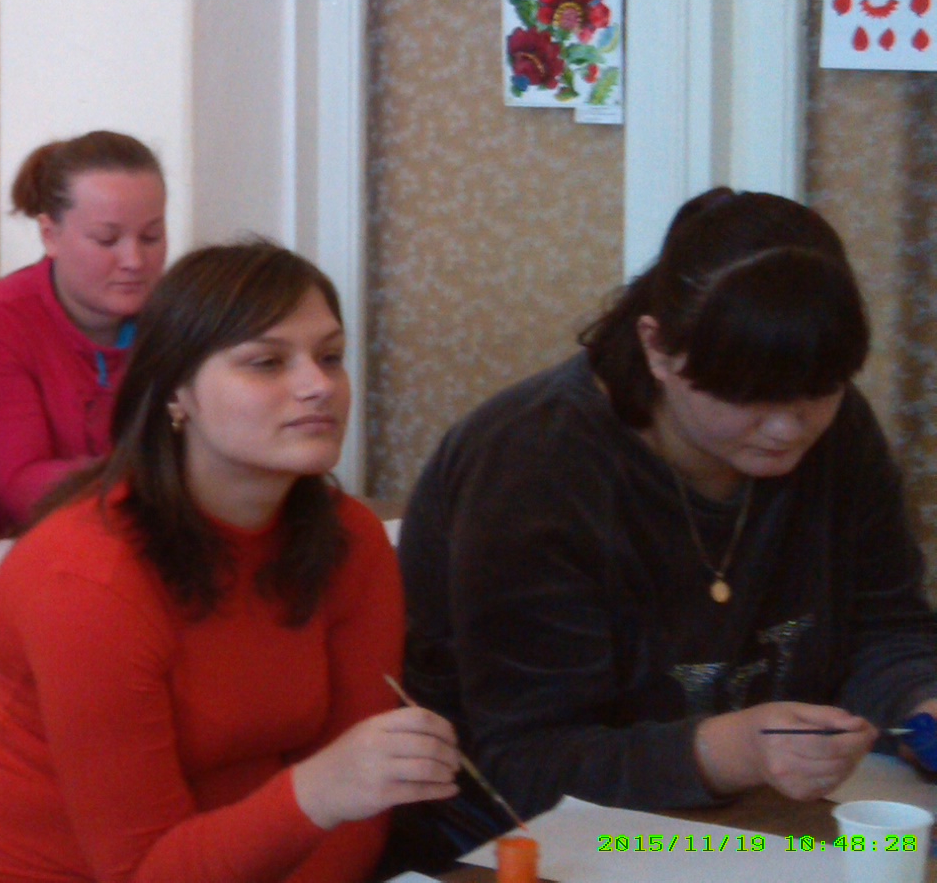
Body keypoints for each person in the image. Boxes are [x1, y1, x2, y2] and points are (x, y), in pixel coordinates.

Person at [390, 189, 937, 867]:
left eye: (819, 393)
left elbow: (886, 625)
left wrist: (921, 699)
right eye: (748, 396)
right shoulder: (534, 466)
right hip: (530, 841)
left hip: (751, 824)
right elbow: (525, 765)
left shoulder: (838, 430)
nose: (788, 429)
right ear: (656, 347)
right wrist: (732, 751)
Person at [0, 242, 457, 883]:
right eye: (267, 362)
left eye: (330, 357)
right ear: (178, 392)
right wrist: (318, 791)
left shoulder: (350, 539)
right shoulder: (85, 577)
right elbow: (143, 872)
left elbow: (359, 813)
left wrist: (335, 793)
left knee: (586, 858)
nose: (318, 386)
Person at [0, 131, 167, 545]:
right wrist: (175, 480)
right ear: (50, 235)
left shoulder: (178, 316)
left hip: (137, 539)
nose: (134, 261)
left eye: (151, 237)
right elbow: (23, 489)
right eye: (107, 240)